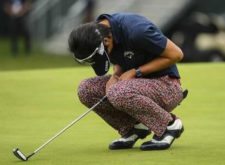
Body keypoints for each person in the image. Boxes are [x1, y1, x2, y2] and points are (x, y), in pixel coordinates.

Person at [68, 13, 188, 150]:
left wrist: (135, 72)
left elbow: (176, 54)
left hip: (166, 85)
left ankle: (170, 125)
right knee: (86, 89)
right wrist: (115, 76)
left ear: (106, 41)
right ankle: (135, 127)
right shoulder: (97, 34)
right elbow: (120, 59)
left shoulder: (138, 31)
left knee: (118, 91)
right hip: (133, 86)